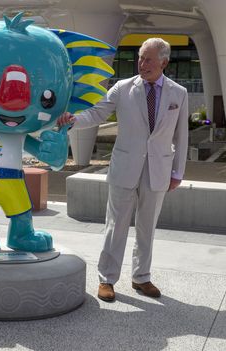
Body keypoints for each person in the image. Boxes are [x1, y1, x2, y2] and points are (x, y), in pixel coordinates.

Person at [58, 38, 188, 302]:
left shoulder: (179, 93)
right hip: (125, 167)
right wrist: (73, 121)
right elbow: (96, 114)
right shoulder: (123, 87)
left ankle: (141, 277)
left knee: (147, 227)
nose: (142, 63)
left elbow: (181, 136)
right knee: (115, 225)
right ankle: (106, 279)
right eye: (140, 57)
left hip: (158, 170)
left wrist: (177, 172)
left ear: (164, 62)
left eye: (148, 59)